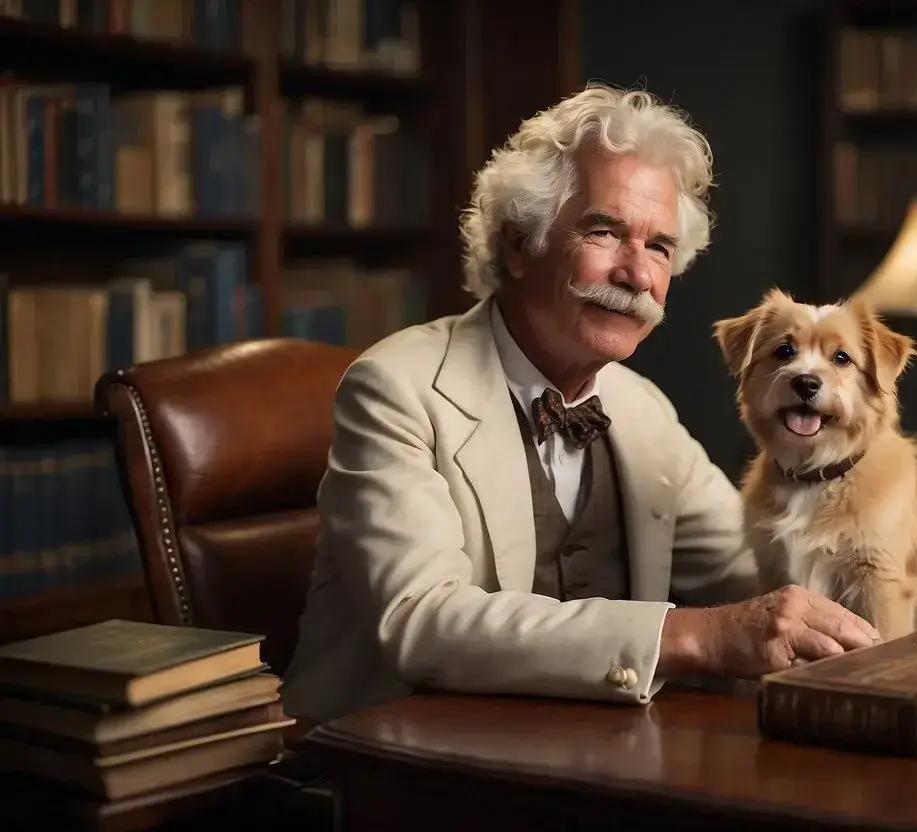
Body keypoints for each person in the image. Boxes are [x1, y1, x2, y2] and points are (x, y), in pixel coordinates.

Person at [280, 84, 880, 721]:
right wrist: (700, 636)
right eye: (605, 232)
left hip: (581, 767)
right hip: (382, 766)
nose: (637, 275)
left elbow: (754, 572)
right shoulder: (394, 389)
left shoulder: (642, 409)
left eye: (659, 248)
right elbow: (421, 621)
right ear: (518, 245)